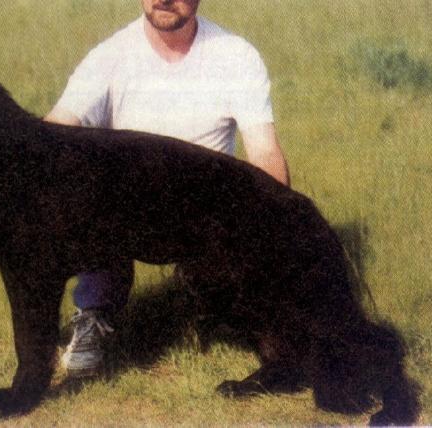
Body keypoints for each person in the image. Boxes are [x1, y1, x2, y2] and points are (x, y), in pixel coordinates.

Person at [45, 0, 290, 377]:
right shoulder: (109, 56)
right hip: (128, 211)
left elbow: (265, 153)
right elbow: (55, 131)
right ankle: (93, 313)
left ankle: (233, 304)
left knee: (252, 287)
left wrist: (276, 239)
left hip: (206, 211)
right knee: (87, 187)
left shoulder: (235, 55)